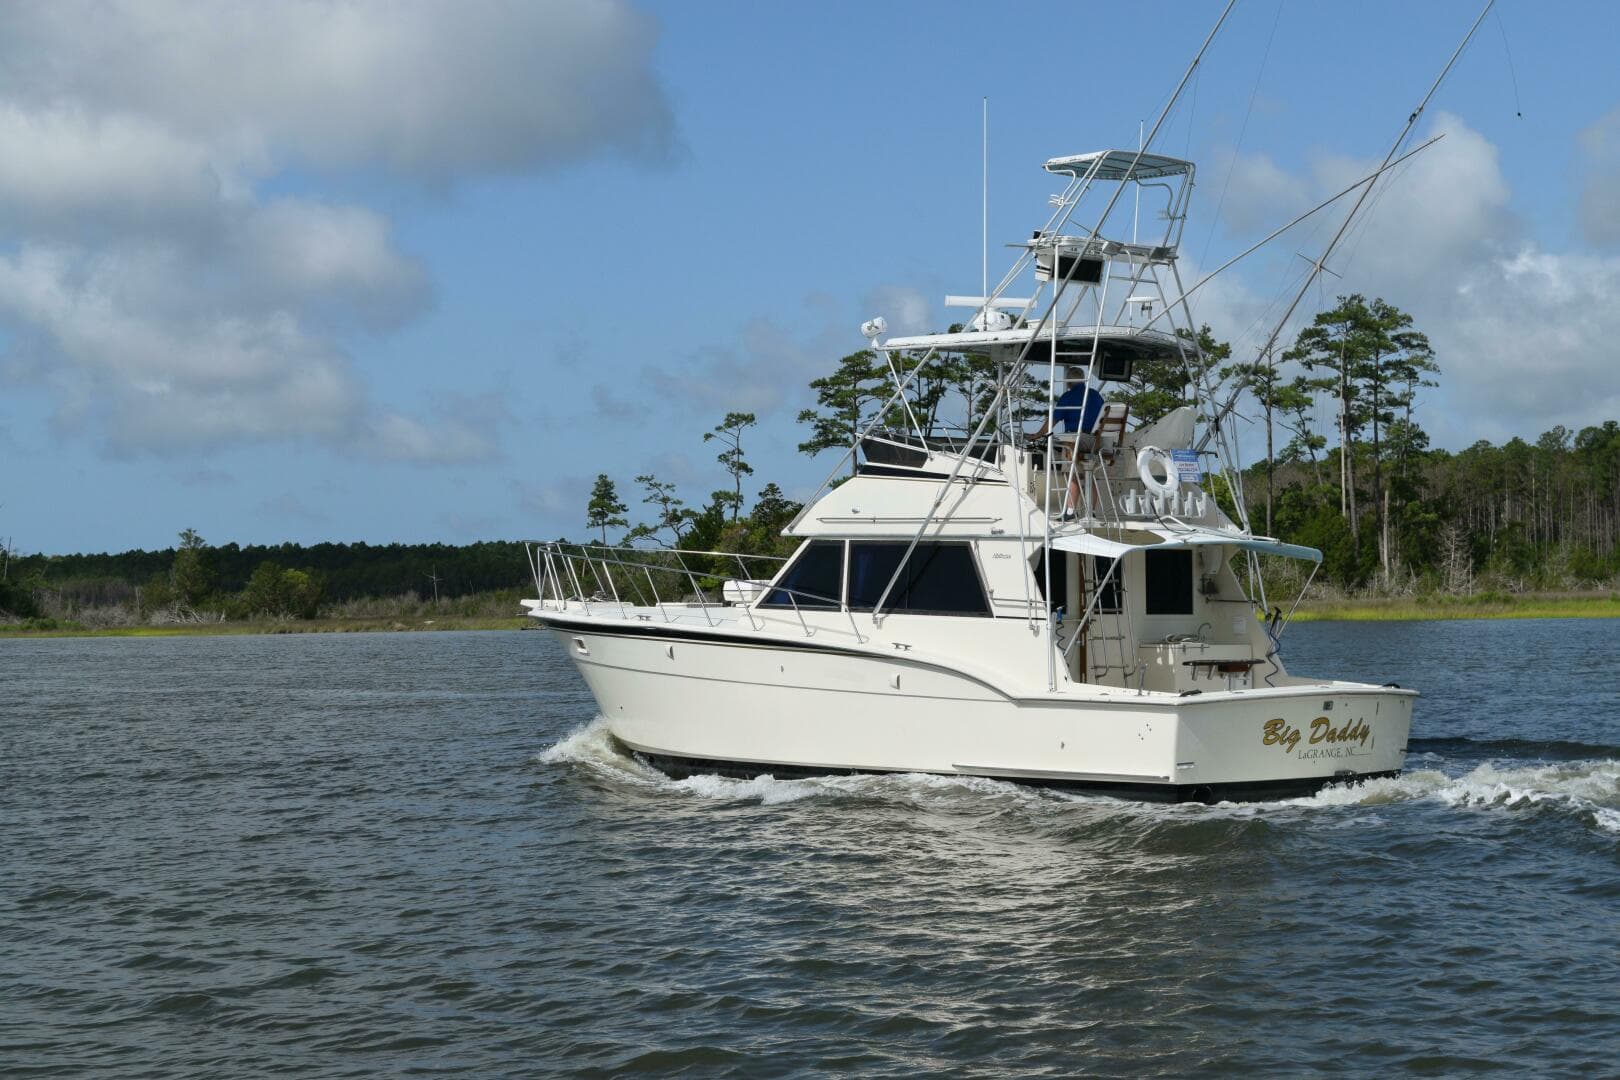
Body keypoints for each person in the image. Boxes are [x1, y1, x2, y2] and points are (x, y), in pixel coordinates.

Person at [1029, 379, 1106, 518]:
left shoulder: (1068, 397)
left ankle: (1070, 512)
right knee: (1090, 475)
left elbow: (1053, 420)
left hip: (1077, 440)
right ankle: (1092, 512)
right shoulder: (1096, 395)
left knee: (1072, 474)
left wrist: (1037, 435)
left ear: (1069, 383)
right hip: (1096, 441)